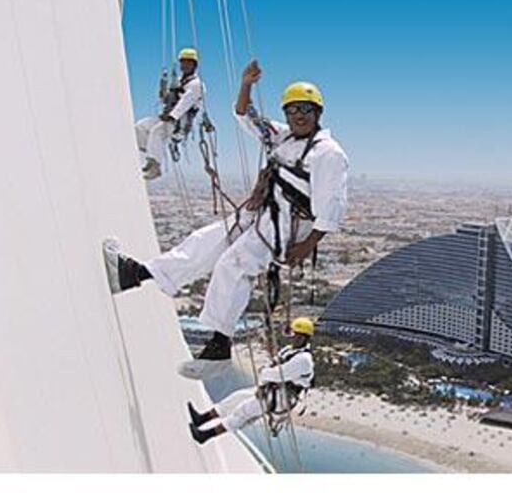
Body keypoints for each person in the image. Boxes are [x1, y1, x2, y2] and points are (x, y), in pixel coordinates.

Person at [103, 59, 348, 379]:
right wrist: (246, 84)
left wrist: (305, 245)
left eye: (305, 109)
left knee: (234, 264)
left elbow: (331, 208)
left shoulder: (328, 153)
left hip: (287, 226)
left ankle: (219, 345)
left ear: (318, 113)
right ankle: (135, 274)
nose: (298, 115)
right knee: (206, 241)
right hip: (262, 212)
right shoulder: (284, 138)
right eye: (293, 109)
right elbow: (246, 115)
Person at [187, 317, 315, 444]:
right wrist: (263, 382)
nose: (294, 338)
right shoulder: (289, 350)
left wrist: (265, 374)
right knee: (235, 398)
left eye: (299, 336)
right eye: (294, 335)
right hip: (271, 388)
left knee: (243, 412)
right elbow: (272, 365)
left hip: (280, 397)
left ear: (305, 338)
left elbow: (277, 374)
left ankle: (204, 436)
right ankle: (201, 419)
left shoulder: (303, 360)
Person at [135, 47, 204, 180]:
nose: (185, 65)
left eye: (188, 62)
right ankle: (150, 155)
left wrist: (172, 116)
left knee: (157, 131)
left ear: (194, 65)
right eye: (183, 62)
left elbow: (185, 102)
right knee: (140, 127)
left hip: (180, 123)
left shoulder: (196, 85)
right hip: (168, 119)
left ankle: (155, 166)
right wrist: (164, 93)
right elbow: (169, 99)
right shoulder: (178, 81)